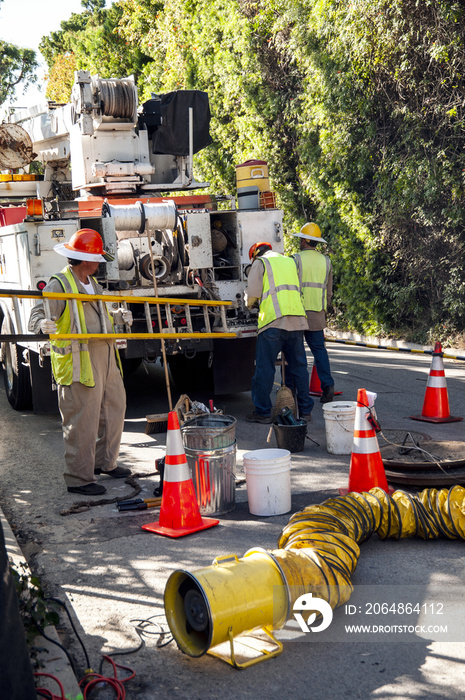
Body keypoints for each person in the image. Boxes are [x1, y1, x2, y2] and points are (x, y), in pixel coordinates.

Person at [28, 228, 133, 496]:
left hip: (106, 356)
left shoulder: (92, 284)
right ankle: (79, 478)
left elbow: (99, 315)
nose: (99, 262)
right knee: (82, 421)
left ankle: (104, 462)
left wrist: (118, 317)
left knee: (114, 408)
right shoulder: (59, 284)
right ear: (84, 259)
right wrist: (42, 323)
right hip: (80, 361)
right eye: (96, 257)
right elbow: (36, 315)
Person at [244, 241, 314, 423]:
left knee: (264, 368)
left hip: (273, 322)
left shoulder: (261, 263)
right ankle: (305, 411)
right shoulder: (290, 261)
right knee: (299, 368)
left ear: (255, 255)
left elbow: (253, 293)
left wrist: (249, 305)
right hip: (297, 320)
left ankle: (263, 412)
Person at [292, 222, 335, 403]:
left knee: (297, 353)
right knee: (319, 351)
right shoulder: (326, 261)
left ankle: (297, 391)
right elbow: (329, 291)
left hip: (298, 312)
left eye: (302, 238)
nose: (300, 241)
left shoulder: (295, 259)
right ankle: (328, 386)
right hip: (317, 311)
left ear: (305, 241)